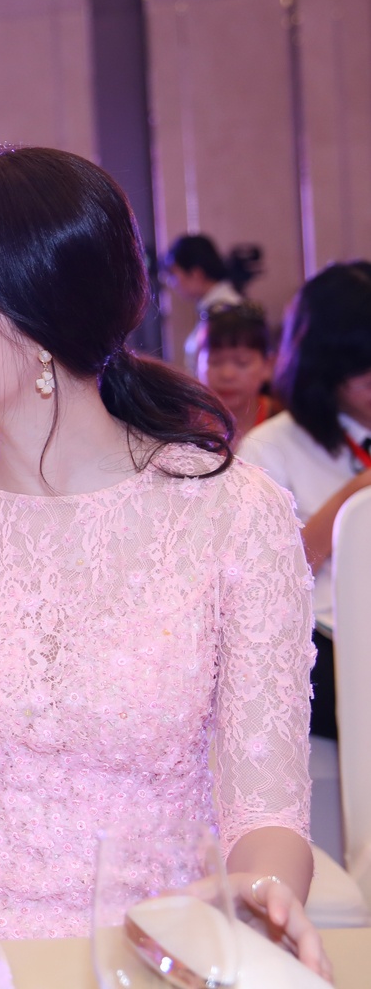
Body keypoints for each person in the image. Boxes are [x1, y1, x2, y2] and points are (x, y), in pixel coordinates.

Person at [0, 146, 328, 979]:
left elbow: (266, 813)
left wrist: (258, 902)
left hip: (163, 954)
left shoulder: (234, 513)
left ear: (38, 313)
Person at [239, 261, 371, 742]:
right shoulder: (269, 449)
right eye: (363, 372)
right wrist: (353, 497)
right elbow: (265, 583)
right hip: (328, 650)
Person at [195, 302, 280, 447]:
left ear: (268, 366)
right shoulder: (185, 424)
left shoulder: (283, 422)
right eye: (215, 361)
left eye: (242, 362)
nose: (227, 374)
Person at [163, 234, 245, 374]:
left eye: (174, 274)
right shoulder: (211, 306)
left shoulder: (226, 309)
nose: (172, 283)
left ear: (196, 274)